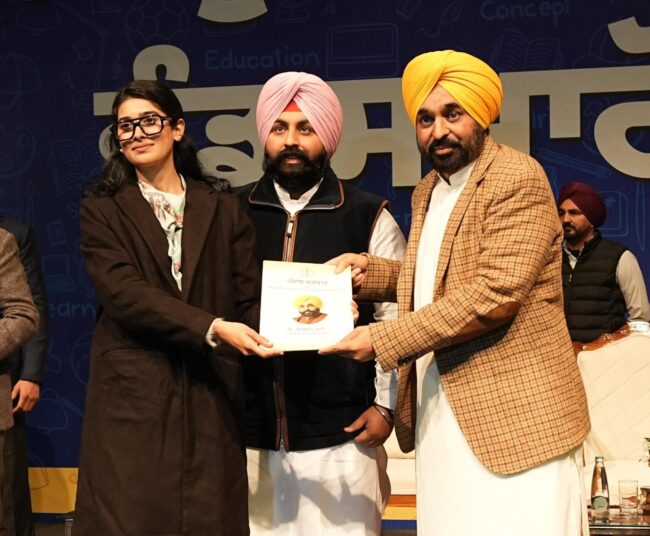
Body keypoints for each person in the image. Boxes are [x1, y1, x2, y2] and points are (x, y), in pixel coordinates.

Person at [321, 50, 591, 536]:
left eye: (452, 114)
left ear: (481, 117)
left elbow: (495, 293)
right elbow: (439, 275)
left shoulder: (517, 177)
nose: (438, 131)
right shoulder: (429, 188)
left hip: (517, 419)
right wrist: (370, 273)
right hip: (442, 408)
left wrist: (383, 340)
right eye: (425, 119)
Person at [74, 80, 280, 536]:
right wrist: (212, 326)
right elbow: (123, 292)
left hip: (210, 393)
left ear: (177, 128)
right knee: (132, 517)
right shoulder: (102, 208)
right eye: (125, 126)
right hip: (134, 395)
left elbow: (248, 299)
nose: (137, 134)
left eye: (149, 121)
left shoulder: (222, 207)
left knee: (211, 518)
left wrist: (315, 315)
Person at [238, 71, 406, 536]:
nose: (291, 141)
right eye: (280, 128)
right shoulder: (230, 211)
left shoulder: (367, 214)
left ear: (328, 137)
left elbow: (396, 317)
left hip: (342, 436)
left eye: (306, 128)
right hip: (248, 435)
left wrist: (386, 407)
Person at [0, 219, 48, 536]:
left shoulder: (8, 238)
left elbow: (30, 309)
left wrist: (31, 374)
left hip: (9, 371)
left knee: (9, 499)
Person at [557, 181, 650, 343]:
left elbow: (640, 320)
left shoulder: (620, 257)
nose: (565, 219)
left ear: (592, 218)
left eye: (574, 213)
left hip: (606, 355)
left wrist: (608, 346)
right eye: (561, 213)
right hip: (557, 354)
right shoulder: (551, 258)